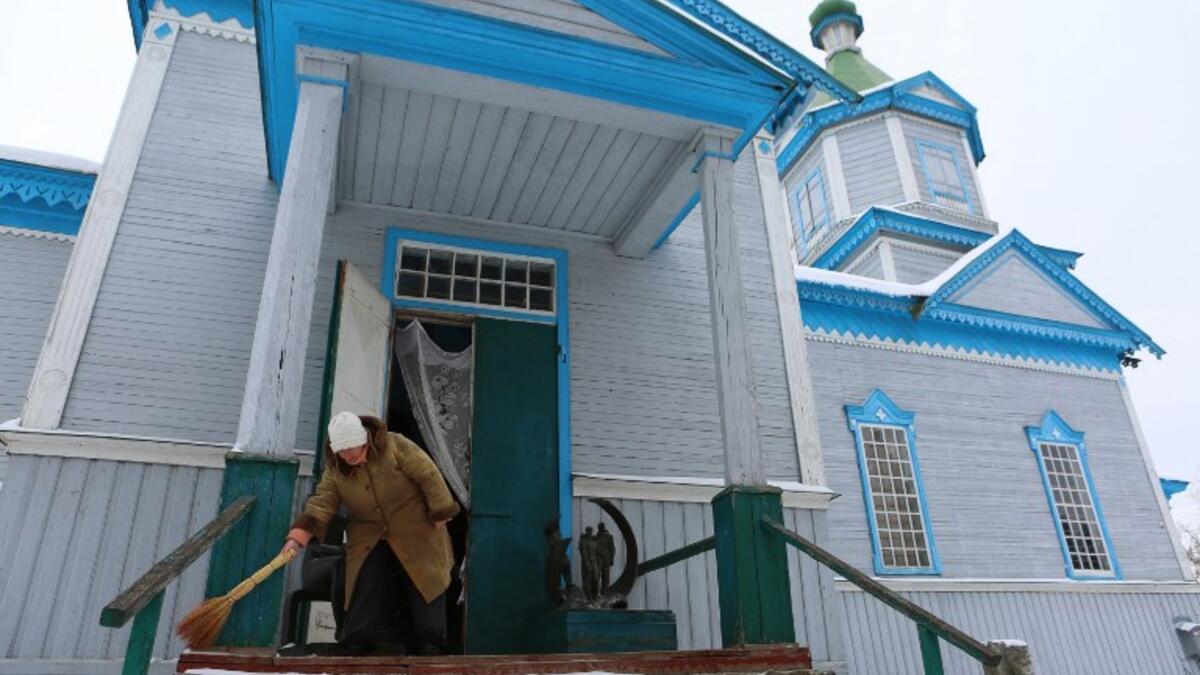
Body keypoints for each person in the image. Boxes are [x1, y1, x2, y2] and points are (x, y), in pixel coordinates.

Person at [283, 411, 460, 656]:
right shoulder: (336, 469)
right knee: (364, 577)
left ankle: (432, 640)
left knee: (426, 578)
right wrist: (298, 536)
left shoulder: (395, 445)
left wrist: (440, 510)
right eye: (342, 451)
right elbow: (322, 502)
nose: (348, 455)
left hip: (415, 526)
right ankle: (357, 637)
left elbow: (428, 474)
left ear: (364, 439)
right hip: (368, 533)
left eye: (352, 448)